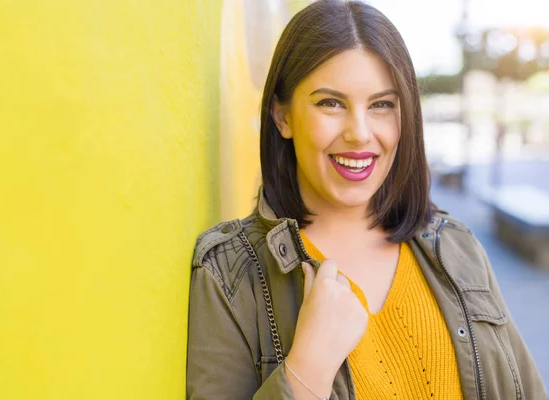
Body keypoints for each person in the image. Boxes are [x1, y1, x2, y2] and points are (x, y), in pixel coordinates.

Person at [186, 1, 547, 399]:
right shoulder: (229, 273)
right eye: (330, 103)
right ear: (282, 116)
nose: (359, 133)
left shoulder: (456, 245)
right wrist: (307, 369)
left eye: (381, 105)